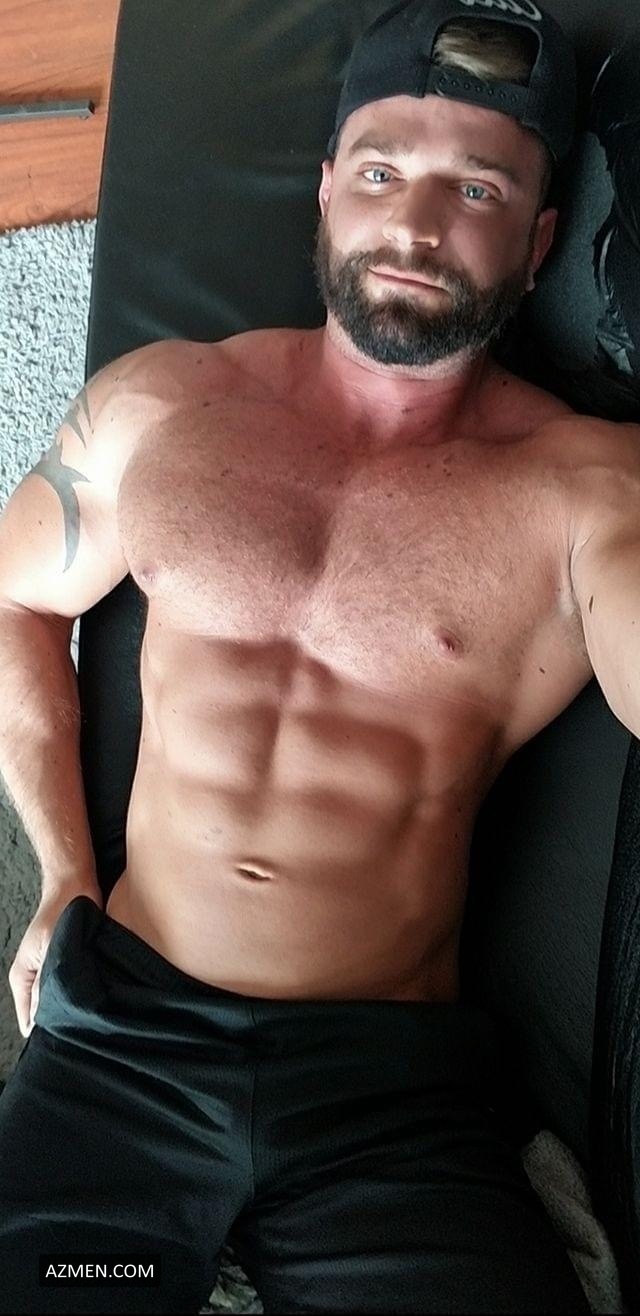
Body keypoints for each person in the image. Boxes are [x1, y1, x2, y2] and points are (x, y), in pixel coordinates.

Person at [0, 1, 600, 1311]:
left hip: (387, 1105)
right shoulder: (165, 404)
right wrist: (62, 875)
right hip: (121, 1052)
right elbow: (13, 603)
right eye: (381, 171)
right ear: (327, 189)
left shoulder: (586, 491)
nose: (415, 224)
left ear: (541, 240)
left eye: (478, 188)